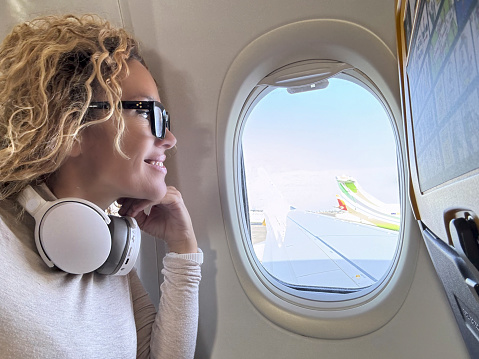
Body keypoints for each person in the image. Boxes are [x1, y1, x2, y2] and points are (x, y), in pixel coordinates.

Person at [0, 14, 202, 358]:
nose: (169, 138)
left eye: (165, 120)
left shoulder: (105, 248)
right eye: (148, 113)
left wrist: (183, 249)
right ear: (71, 126)